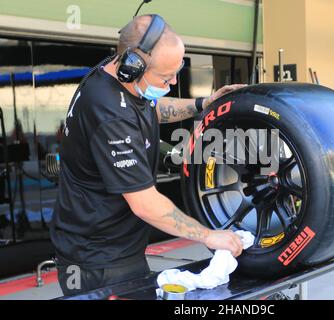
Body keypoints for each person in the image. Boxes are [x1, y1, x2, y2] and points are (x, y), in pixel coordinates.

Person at [50, 15, 245, 296]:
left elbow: (147, 106)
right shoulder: (110, 116)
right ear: (133, 67)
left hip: (113, 249)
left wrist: (203, 103)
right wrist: (209, 235)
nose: (174, 81)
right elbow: (145, 204)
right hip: (95, 260)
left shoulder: (114, 74)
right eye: (166, 77)